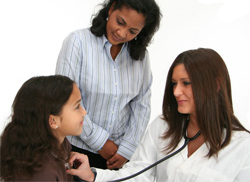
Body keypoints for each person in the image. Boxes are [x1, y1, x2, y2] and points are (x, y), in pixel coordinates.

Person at [66, 48, 250, 181]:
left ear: (216, 85)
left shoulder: (243, 147)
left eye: (186, 83)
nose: (176, 92)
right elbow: (138, 174)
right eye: (174, 83)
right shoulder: (163, 126)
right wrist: (93, 175)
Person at [55, 0, 162, 169]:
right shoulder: (78, 42)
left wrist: (127, 149)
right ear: (111, 9)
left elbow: (142, 105)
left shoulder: (141, 58)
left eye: (133, 31)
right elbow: (65, 98)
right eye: (120, 22)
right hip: (76, 149)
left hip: (118, 157)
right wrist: (100, 142)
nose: (122, 33)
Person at [0, 75, 87, 181]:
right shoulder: (43, 174)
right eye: (77, 106)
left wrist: (90, 176)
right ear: (53, 121)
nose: (84, 112)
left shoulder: (60, 143)